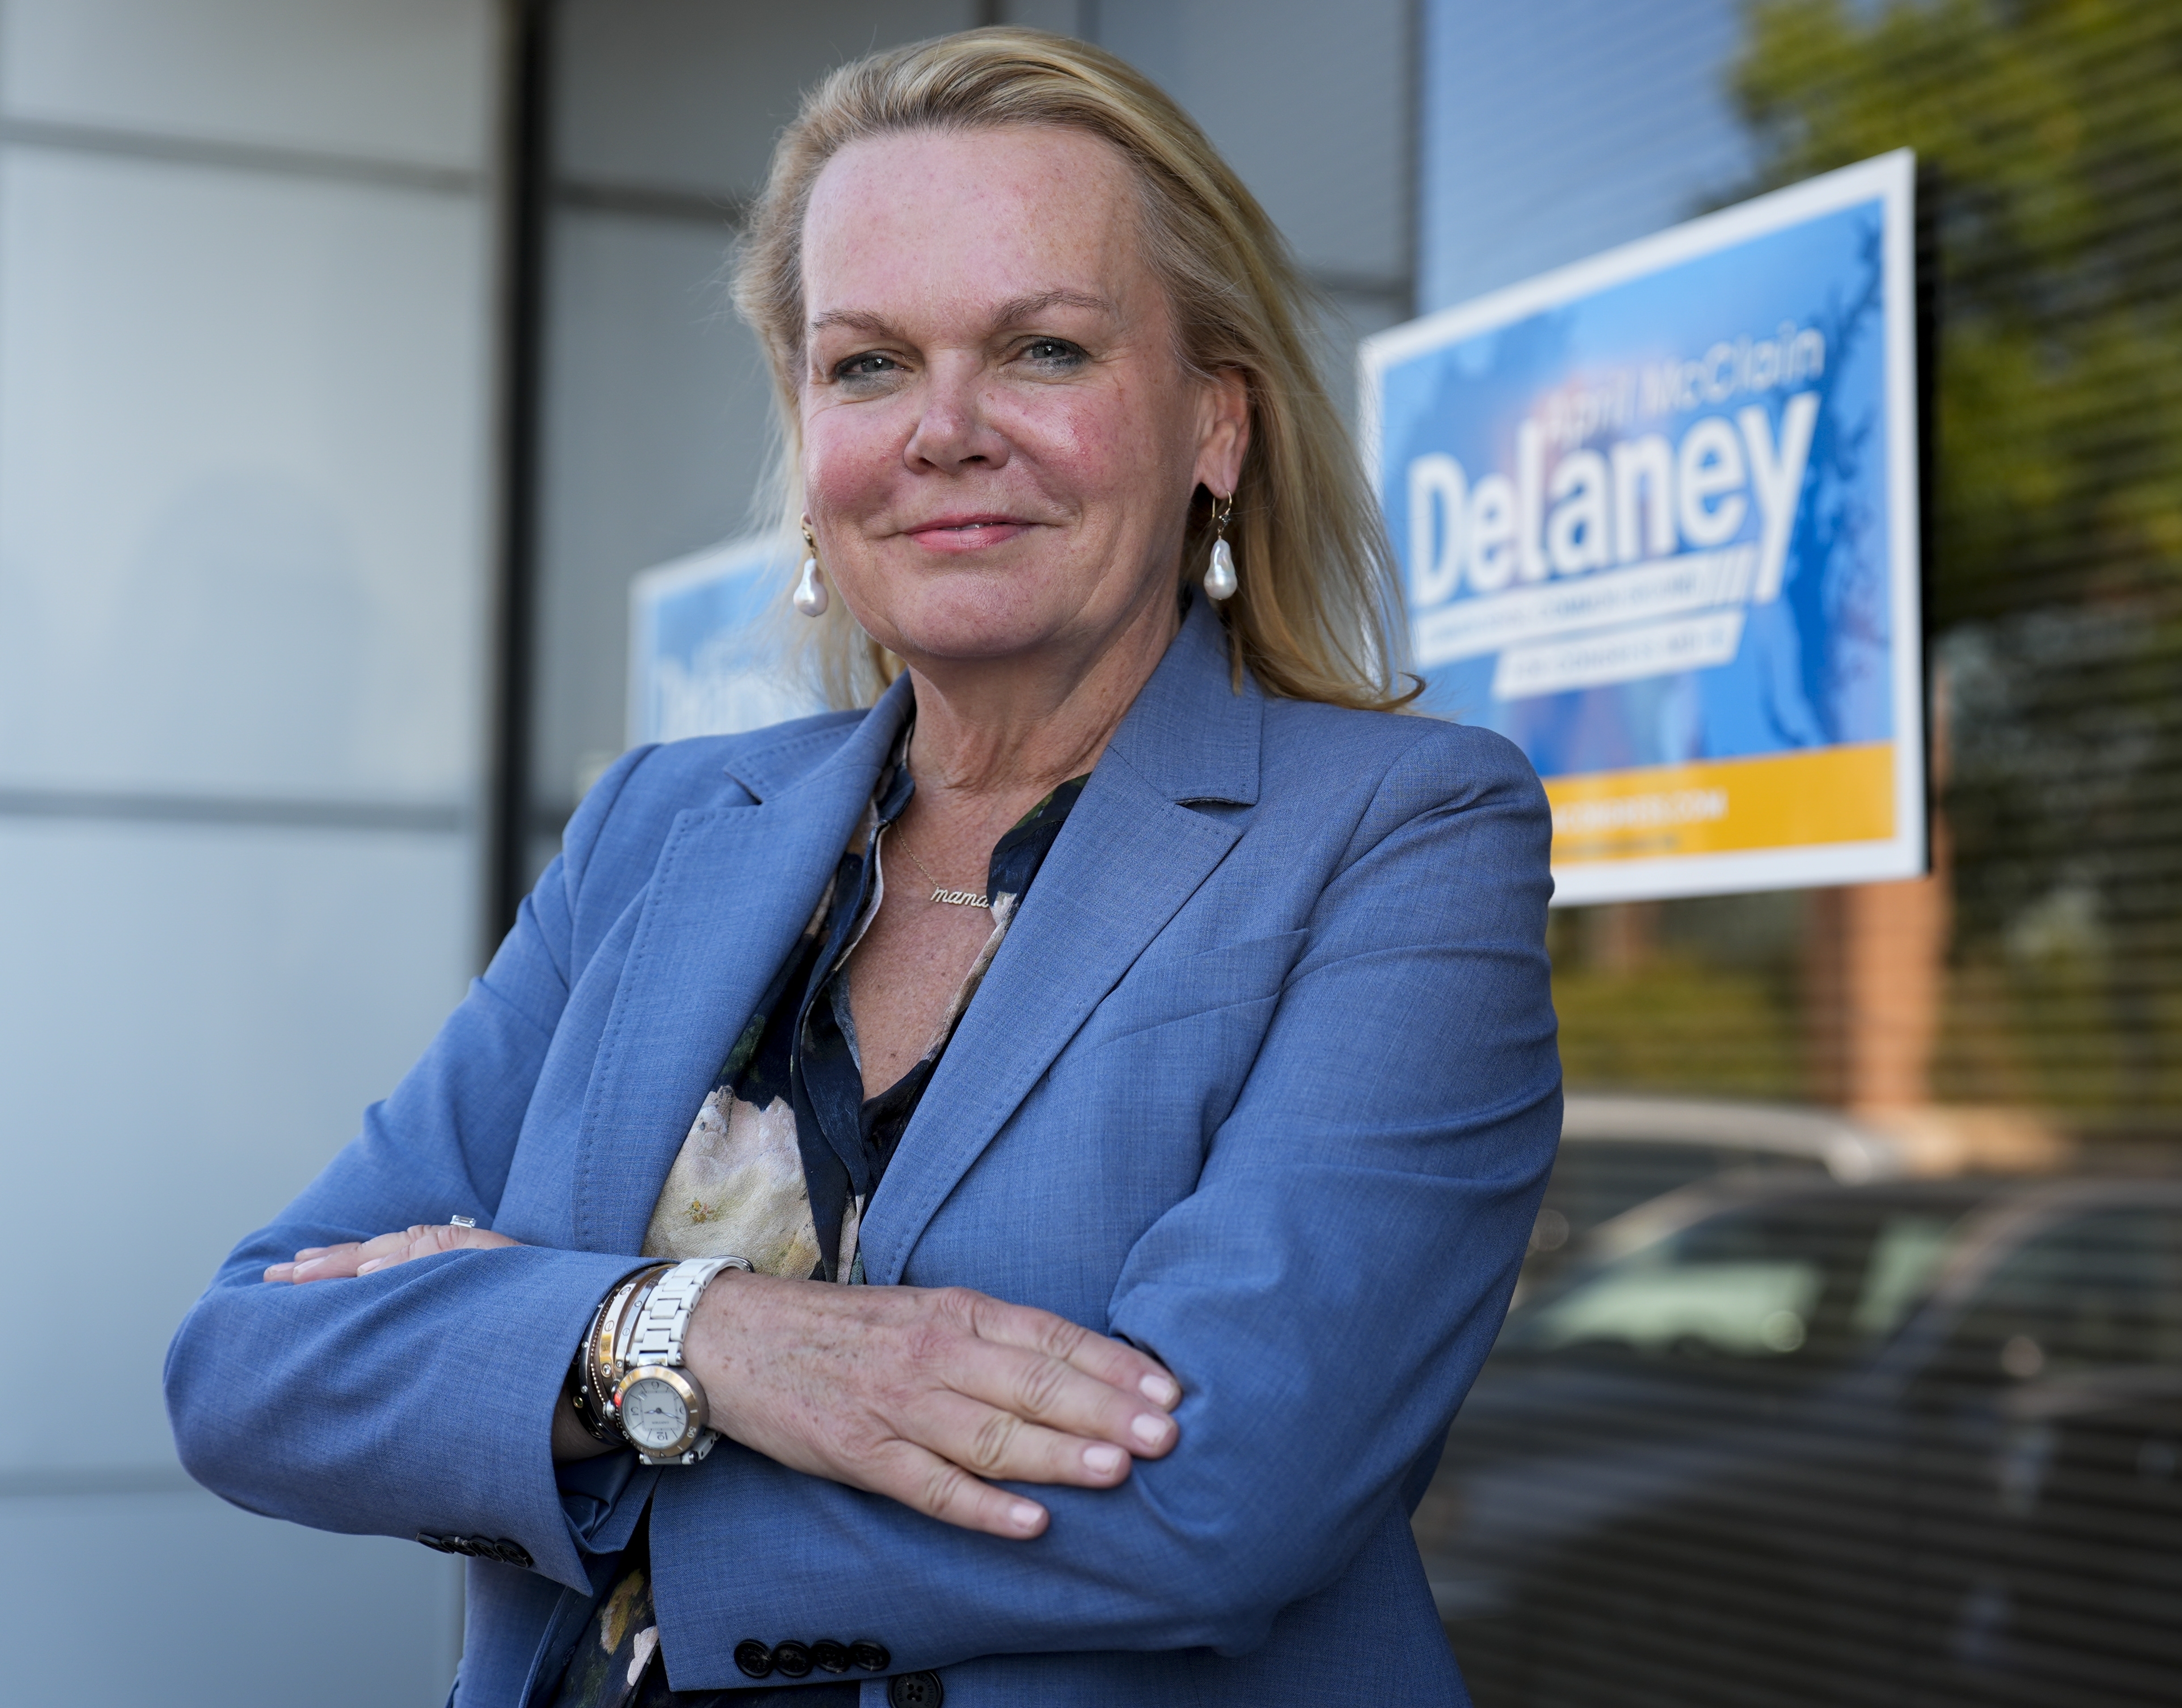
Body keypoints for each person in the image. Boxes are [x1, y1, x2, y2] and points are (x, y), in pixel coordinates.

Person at [165, 28, 1559, 1708]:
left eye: (1043, 348)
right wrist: (691, 1336)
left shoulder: (1404, 831)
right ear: (807, 444)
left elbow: (1217, 1497)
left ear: (1215, 425)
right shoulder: (657, 827)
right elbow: (252, 1363)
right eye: (870, 365)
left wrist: (522, 1378)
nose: (945, 430)